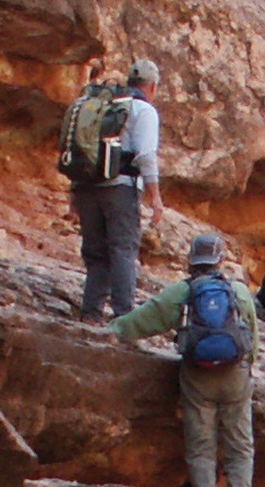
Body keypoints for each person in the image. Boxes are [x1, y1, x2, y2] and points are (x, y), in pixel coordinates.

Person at [108, 234, 256, 487]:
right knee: (240, 446)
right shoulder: (239, 291)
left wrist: (112, 329)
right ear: (221, 261)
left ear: (191, 260)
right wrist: (248, 367)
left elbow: (144, 320)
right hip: (236, 374)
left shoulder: (182, 292)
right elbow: (252, 336)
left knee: (201, 445)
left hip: (198, 375)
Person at [75, 58, 166, 323]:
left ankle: (90, 313)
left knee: (95, 252)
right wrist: (155, 197)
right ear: (153, 86)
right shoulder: (143, 110)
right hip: (121, 188)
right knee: (122, 250)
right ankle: (125, 317)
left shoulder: (104, 104)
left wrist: (74, 192)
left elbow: (83, 146)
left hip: (87, 187)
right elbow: (146, 155)